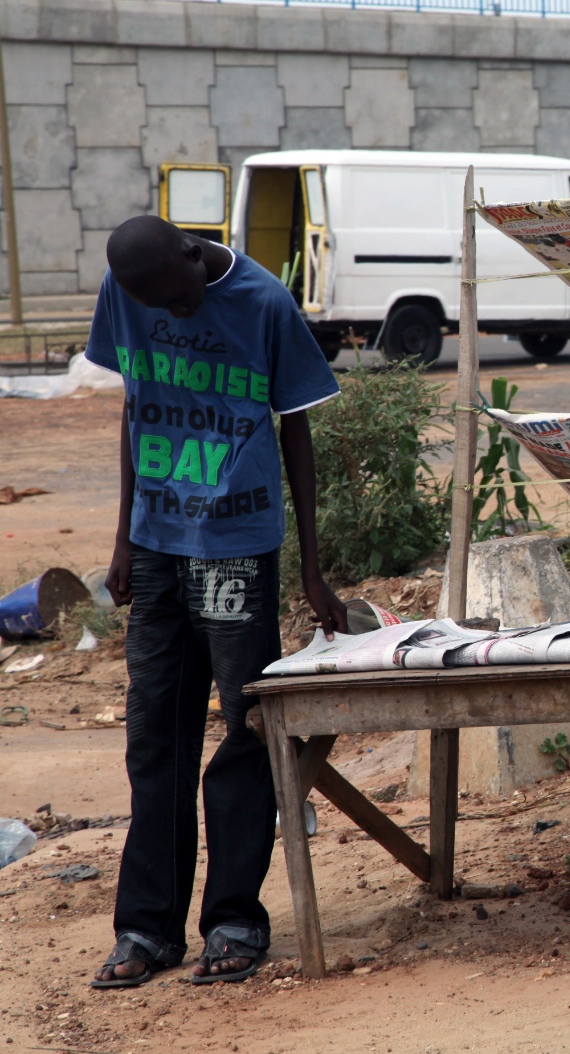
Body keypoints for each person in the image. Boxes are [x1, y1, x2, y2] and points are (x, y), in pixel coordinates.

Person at [84, 216, 347, 989]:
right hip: (157, 546)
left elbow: (294, 427)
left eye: (182, 295)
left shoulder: (264, 303)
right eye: (159, 303)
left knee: (244, 731)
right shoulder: (127, 289)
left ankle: (234, 920)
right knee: (154, 737)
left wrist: (312, 570)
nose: (176, 310)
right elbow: (135, 407)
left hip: (238, 544)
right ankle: (146, 929)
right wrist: (124, 538)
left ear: (196, 256)